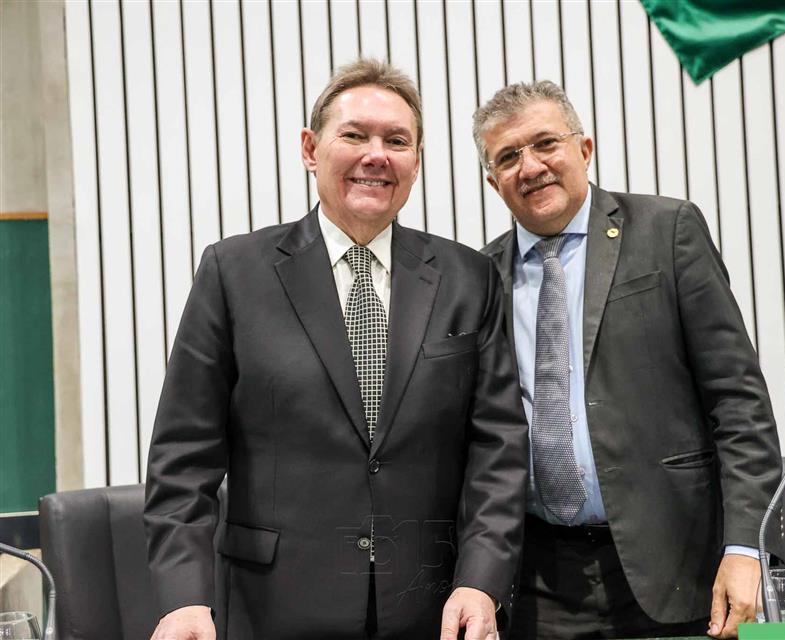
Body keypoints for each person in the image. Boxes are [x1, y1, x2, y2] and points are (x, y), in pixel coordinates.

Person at [144, 59, 528, 640]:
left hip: (433, 609)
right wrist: (183, 599)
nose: (376, 155)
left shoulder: (468, 278)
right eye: (354, 135)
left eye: (396, 141)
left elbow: (497, 448)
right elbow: (183, 457)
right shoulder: (234, 272)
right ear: (310, 148)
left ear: (416, 160)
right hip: (271, 607)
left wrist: (482, 581)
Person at [472, 81, 782, 640]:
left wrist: (746, 548)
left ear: (584, 148)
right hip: (539, 582)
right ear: (494, 181)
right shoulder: (480, 276)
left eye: (546, 143)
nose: (531, 166)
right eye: (508, 156)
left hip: (681, 562)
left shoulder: (667, 230)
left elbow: (739, 402)